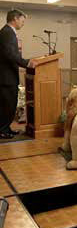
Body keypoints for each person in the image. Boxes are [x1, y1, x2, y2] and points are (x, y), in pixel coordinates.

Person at [0, 9, 35, 139]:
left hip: (7, 77)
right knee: (7, 105)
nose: (23, 23)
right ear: (15, 19)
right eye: (22, 20)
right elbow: (11, 55)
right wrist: (27, 63)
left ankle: (6, 128)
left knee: (9, 104)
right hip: (6, 78)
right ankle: (2, 130)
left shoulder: (7, 32)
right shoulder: (7, 33)